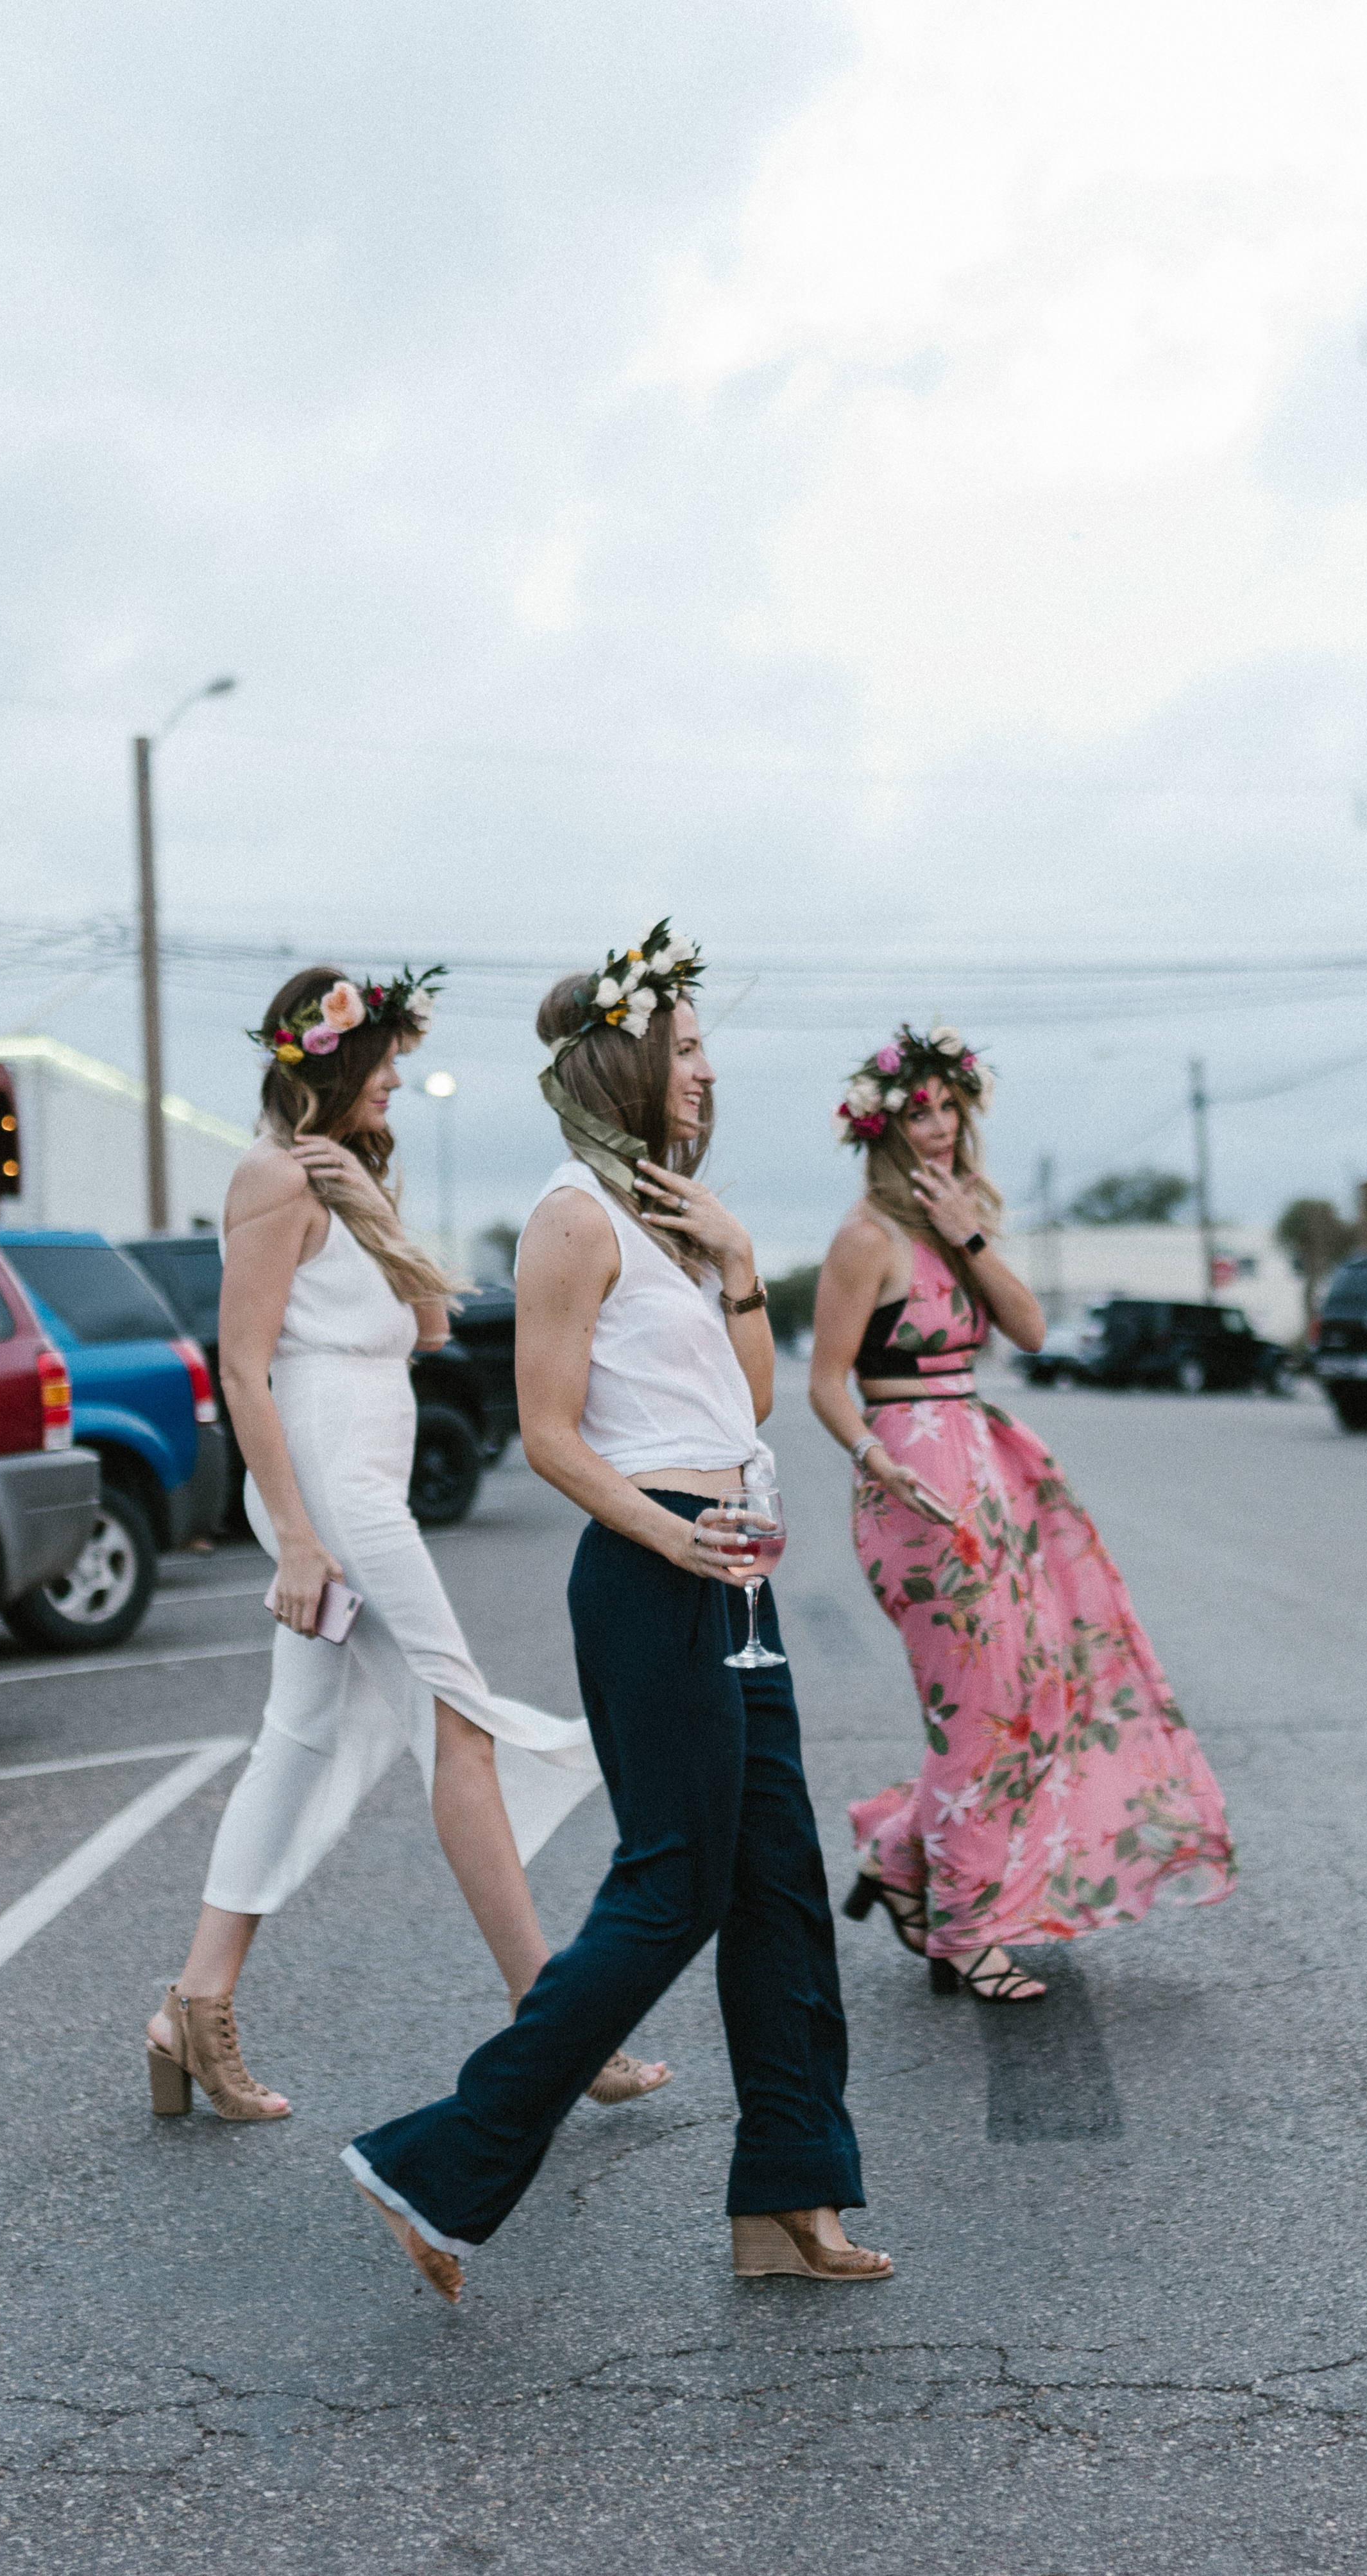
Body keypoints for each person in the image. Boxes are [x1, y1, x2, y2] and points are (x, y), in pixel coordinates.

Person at [344, 924, 882, 2300]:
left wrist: (742, 1257)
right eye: (687, 1049)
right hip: (660, 1570)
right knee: (672, 1888)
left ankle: (788, 2195)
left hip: (727, 1567)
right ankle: (441, 2162)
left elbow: (747, 1401)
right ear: (630, 1060)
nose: (705, 1075)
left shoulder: (667, 1223)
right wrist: (679, 1538)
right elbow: (548, 1436)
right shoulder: (570, 1220)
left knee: (775, 1892)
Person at [141, 965, 665, 2126]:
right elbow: (242, 1366)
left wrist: (372, 1207)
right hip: (339, 1493)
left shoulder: (341, 1177)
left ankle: (195, 2002)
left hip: (369, 1476)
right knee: (456, 1725)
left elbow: (430, 1327)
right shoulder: (271, 1178)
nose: (393, 1076)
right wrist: (293, 1537)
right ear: (324, 1062)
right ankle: (557, 2025)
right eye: (381, 1059)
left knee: (301, 1737)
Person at [806, 1026, 1235, 2005]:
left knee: (1035, 1693)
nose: (941, 1128)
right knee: (983, 1710)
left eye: (951, 1109)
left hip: (986, 1467)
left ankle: (896, 1846)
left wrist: (967, 1232)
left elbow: (1032, 1332)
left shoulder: (959, 1223)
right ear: (882, 1126)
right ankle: (963, 1932)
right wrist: (878, 1461)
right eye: (919, 1112)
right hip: (913, 1482)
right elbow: (827, 1384)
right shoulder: (863, 1236)